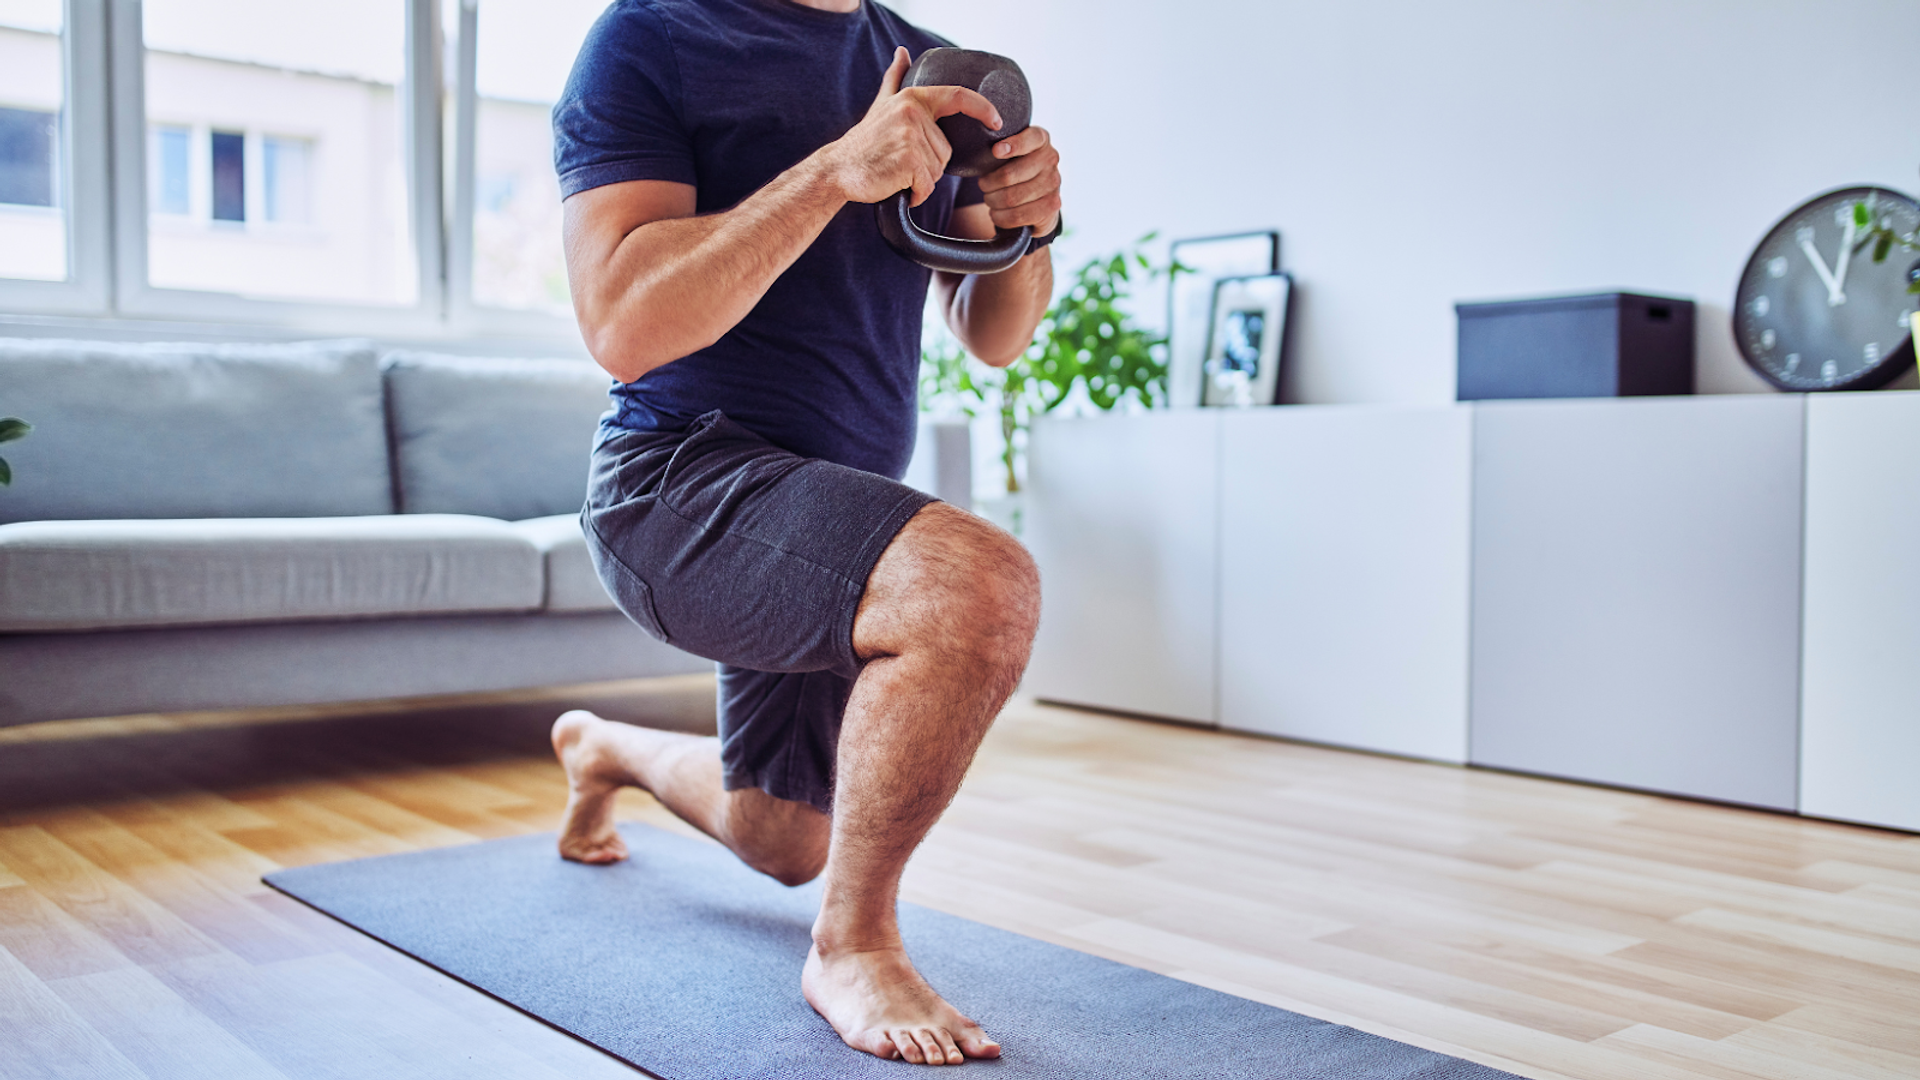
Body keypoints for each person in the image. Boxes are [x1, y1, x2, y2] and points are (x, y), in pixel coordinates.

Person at [546, 0, 1062, 1066]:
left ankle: (604, 749)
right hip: (675, 481)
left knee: (783, 837)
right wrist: (835, 171)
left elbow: (995, 334)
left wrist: (1026, 229)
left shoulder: (920, 57)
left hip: (829, 507)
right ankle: (853, 945)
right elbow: (623, 325)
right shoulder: (654, 35)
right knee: (978, 587)